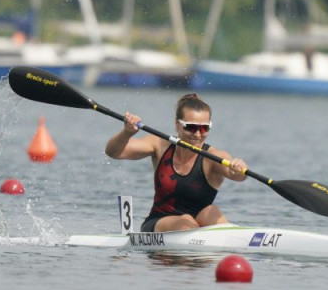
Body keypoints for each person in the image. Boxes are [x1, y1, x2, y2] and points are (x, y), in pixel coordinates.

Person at [105, 93, 248, 232]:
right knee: (186, 221)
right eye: (191, 127)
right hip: (159, 223)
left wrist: (239, 168)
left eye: (204, 128)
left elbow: (237, 175)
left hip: (199, 223)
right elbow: (114, 152)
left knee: (211, 212)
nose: (197, 134)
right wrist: (127, 132)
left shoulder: (213, 156)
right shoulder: (160, 145)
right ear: (177, 124)